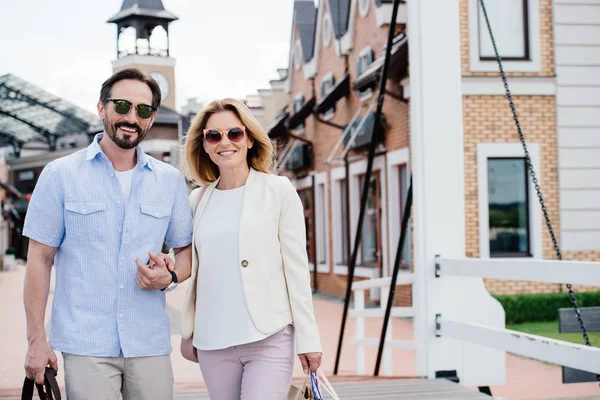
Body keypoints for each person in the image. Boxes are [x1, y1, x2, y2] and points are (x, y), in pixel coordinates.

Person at [22, 68, 193, 400]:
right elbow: (38, 261)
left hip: (149, 343)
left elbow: (185, 255)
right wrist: (36, 341)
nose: (131, 117)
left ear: (152, 117)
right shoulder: (60, 175)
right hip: (86, 344)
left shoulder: (170, 181)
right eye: (122, 105)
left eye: (142, 110)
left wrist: (169, 276)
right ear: (102, 108)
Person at [179, 98, 322, 399]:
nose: (224, 142)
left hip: (268, 337)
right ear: (204, 144)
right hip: (213, 341)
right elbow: (185, 263)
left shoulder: (278, 191)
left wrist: (308, 339)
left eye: (234, 133)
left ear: (249, 139)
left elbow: (297, 270)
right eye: (213, 136)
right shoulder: (197, 201)